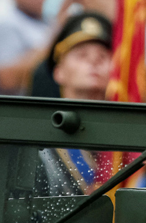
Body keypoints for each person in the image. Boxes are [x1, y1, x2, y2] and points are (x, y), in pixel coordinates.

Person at [36, 12, 115, 196]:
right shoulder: (39, 141)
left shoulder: (124, 138)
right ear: (59, 72)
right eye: (82, 55)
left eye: (103, 56)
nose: (94, 61)